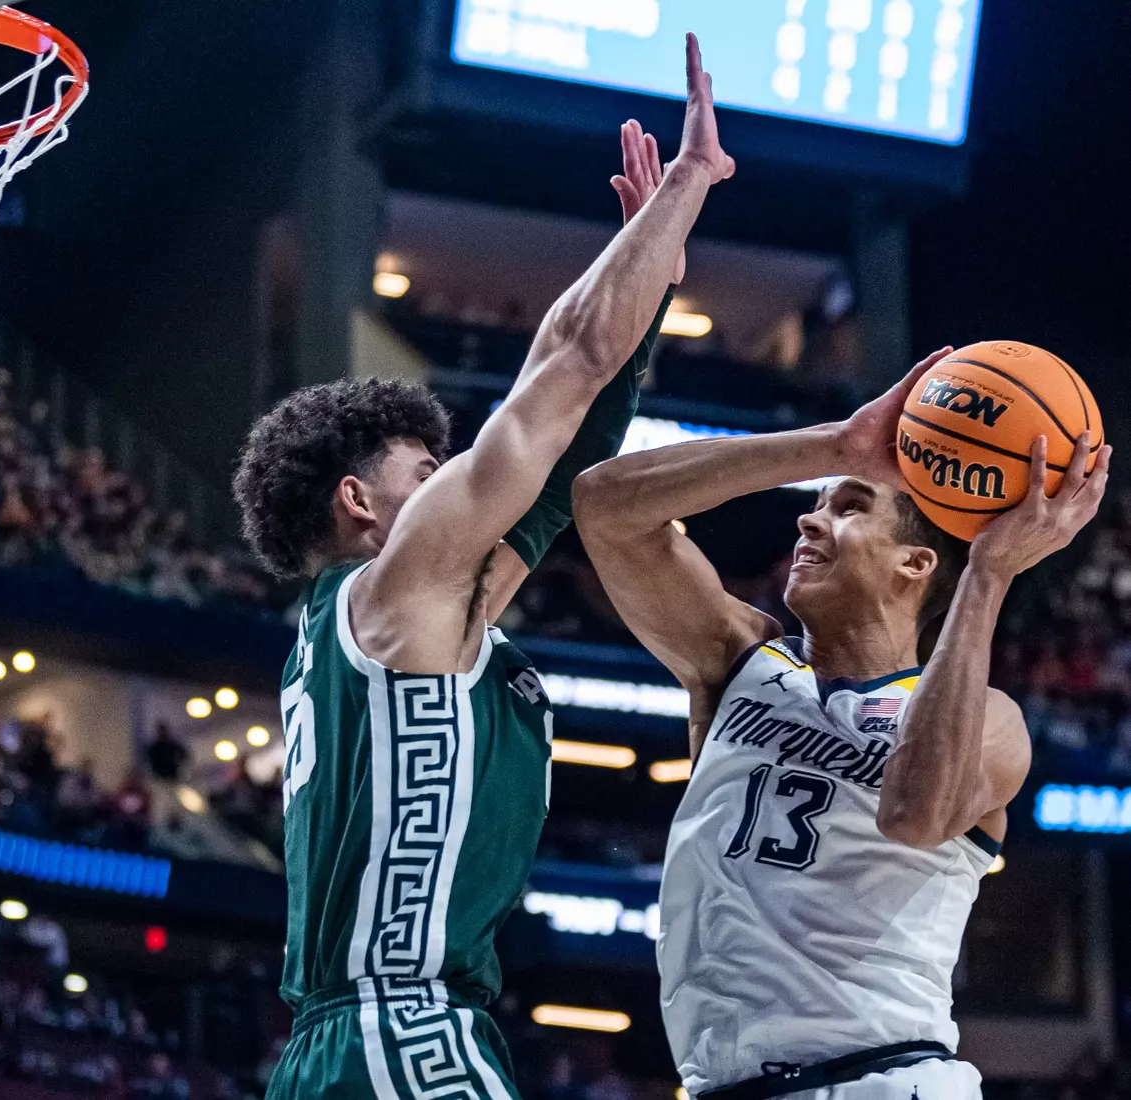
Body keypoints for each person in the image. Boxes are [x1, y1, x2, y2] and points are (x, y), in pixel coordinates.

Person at [232, 36, 731, 1100]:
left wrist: (647, 285)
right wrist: (682, 191)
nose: (459, 477)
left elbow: (573, 468)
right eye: (430, 466)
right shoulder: (398, 587)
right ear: (360, 502)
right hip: (401, 1029)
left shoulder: (396, 624)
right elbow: (564, 366)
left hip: (342, 1047)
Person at [570, 351, 1112, 1099]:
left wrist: (989, 573)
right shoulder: (740, 664)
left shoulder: (989, 719)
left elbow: (916, 814)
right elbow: (603, 506)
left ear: (915, 565)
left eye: (849, 506)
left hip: (882, 1080)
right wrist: (833, 446)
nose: (809, 517)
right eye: (820, 503)